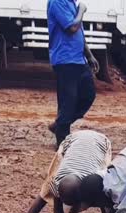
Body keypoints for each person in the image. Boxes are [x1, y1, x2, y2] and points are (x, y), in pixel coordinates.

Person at [2, 130, 112, 213]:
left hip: (100, 144)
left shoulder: (94, 183)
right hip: (72, 141)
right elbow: (52, 205)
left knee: (105, 200)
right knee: (45, 191)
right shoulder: (57, 181)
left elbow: (112, 212)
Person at [47, 0, 100, 148]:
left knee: (88, 95)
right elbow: (72, 27)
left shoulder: (71, 2)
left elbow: (78, 32)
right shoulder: (57, 2)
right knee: (68, 101)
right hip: (65, 59)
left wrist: (89, 55)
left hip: (78, 59)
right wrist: (81, 10)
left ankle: (59, 124)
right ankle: (62, 142)